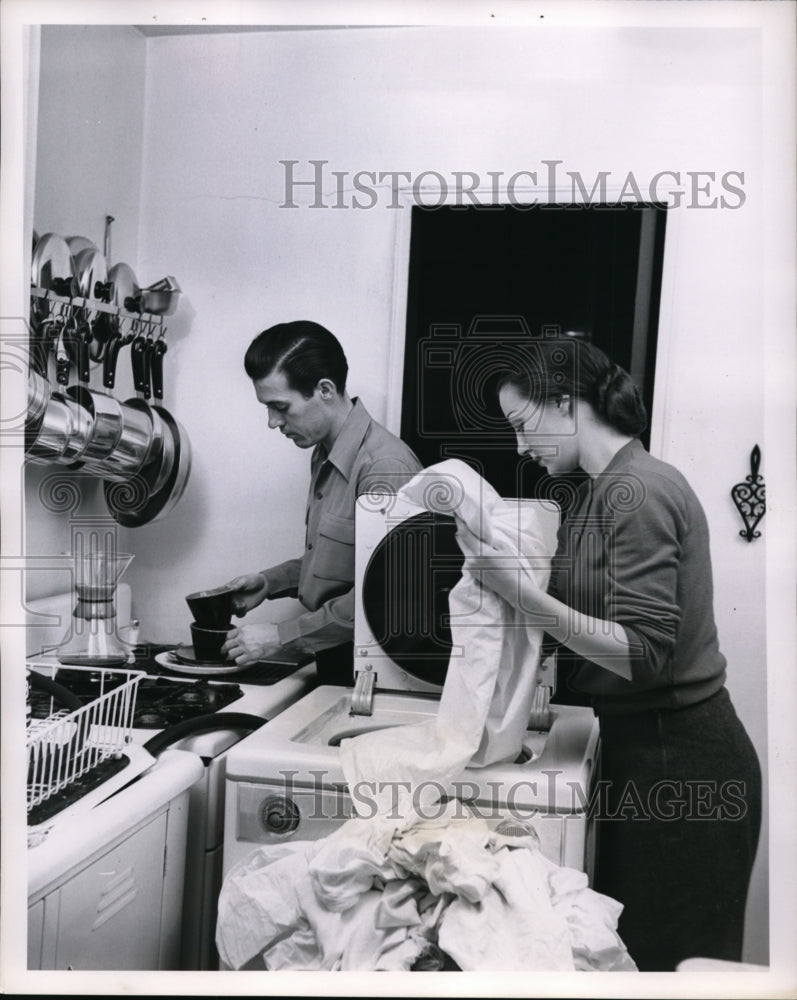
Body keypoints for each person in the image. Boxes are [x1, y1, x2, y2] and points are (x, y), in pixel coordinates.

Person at [463, 338, 761, 972]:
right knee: (634, 960)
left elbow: (645, 652)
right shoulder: (601, 490)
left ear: (567, 404)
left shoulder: (642, 492)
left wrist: (524, 597)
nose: (520, 447)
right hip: (645, 749)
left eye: (523, 424)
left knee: (672, 969)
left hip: (683, 763)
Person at [221, 320, 422, 684]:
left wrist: (280, 636)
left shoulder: (384, 468)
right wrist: (271, 581)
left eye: (281, 407)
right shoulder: (324, 452)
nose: (272, 422)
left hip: (371, 670)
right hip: (336, 654)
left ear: (325, 390)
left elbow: (386, 596)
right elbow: (344, 562)